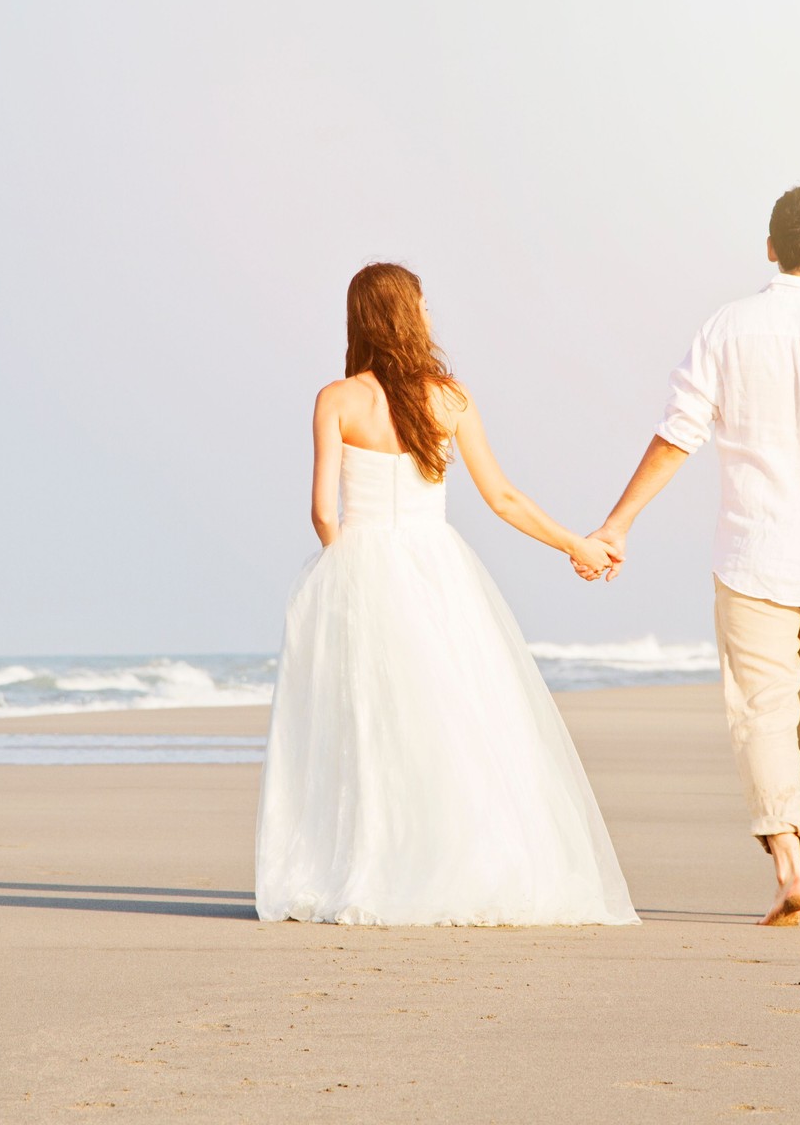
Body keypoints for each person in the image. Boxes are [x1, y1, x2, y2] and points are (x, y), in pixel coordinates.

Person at [254, 262, 638, 927]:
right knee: (456, 716)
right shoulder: (450, 398)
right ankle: (469, 863)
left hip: (361, 565)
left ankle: (370, 865)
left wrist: (343, 563)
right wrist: (576, 544)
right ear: (408, 315)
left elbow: (322, 511)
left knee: (369, 726)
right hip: (438, 567)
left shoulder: (337, 399)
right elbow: (503, 498)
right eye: (424, 305)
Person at [578, 184, 800, 926]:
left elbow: (679, 433)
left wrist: (618, 522)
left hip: (752, 553)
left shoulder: (728, 327)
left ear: (770, 247)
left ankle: (787, 866)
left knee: (760, 714)